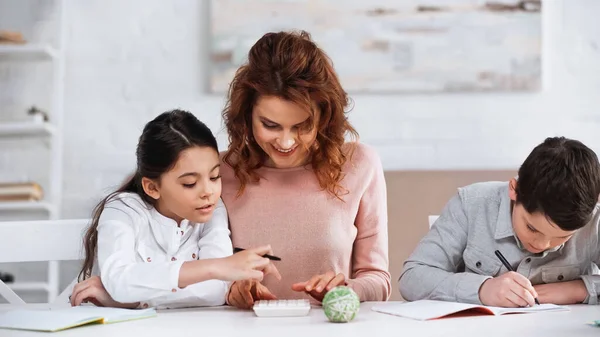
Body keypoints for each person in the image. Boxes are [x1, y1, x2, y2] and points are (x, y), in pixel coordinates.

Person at [219, 30, 391, 309]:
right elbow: (194, 269)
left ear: (324, 117)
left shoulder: (360, 164)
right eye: (271, 125)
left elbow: (378, 280)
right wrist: (230, 290)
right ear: (247, 115)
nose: (286, 142)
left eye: (302, 126)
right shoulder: (219, 172)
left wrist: (346, 288)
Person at [70, 110, 280, 309]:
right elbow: (120, 280)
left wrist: (132, 300)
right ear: (152, 187)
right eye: (189, 183)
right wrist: (216, 268)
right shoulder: (123, 210)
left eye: (215, 177)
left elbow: (215, 291)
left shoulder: (212, 210)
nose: (208, 191)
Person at [399, 136, 600, 307]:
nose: (541, 245)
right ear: (514, 189)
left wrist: (577, 289)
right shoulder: (471, 205)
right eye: (531, 228)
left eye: (562, 237)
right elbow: (412, 278)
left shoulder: (593, 219)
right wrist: (482, 289)